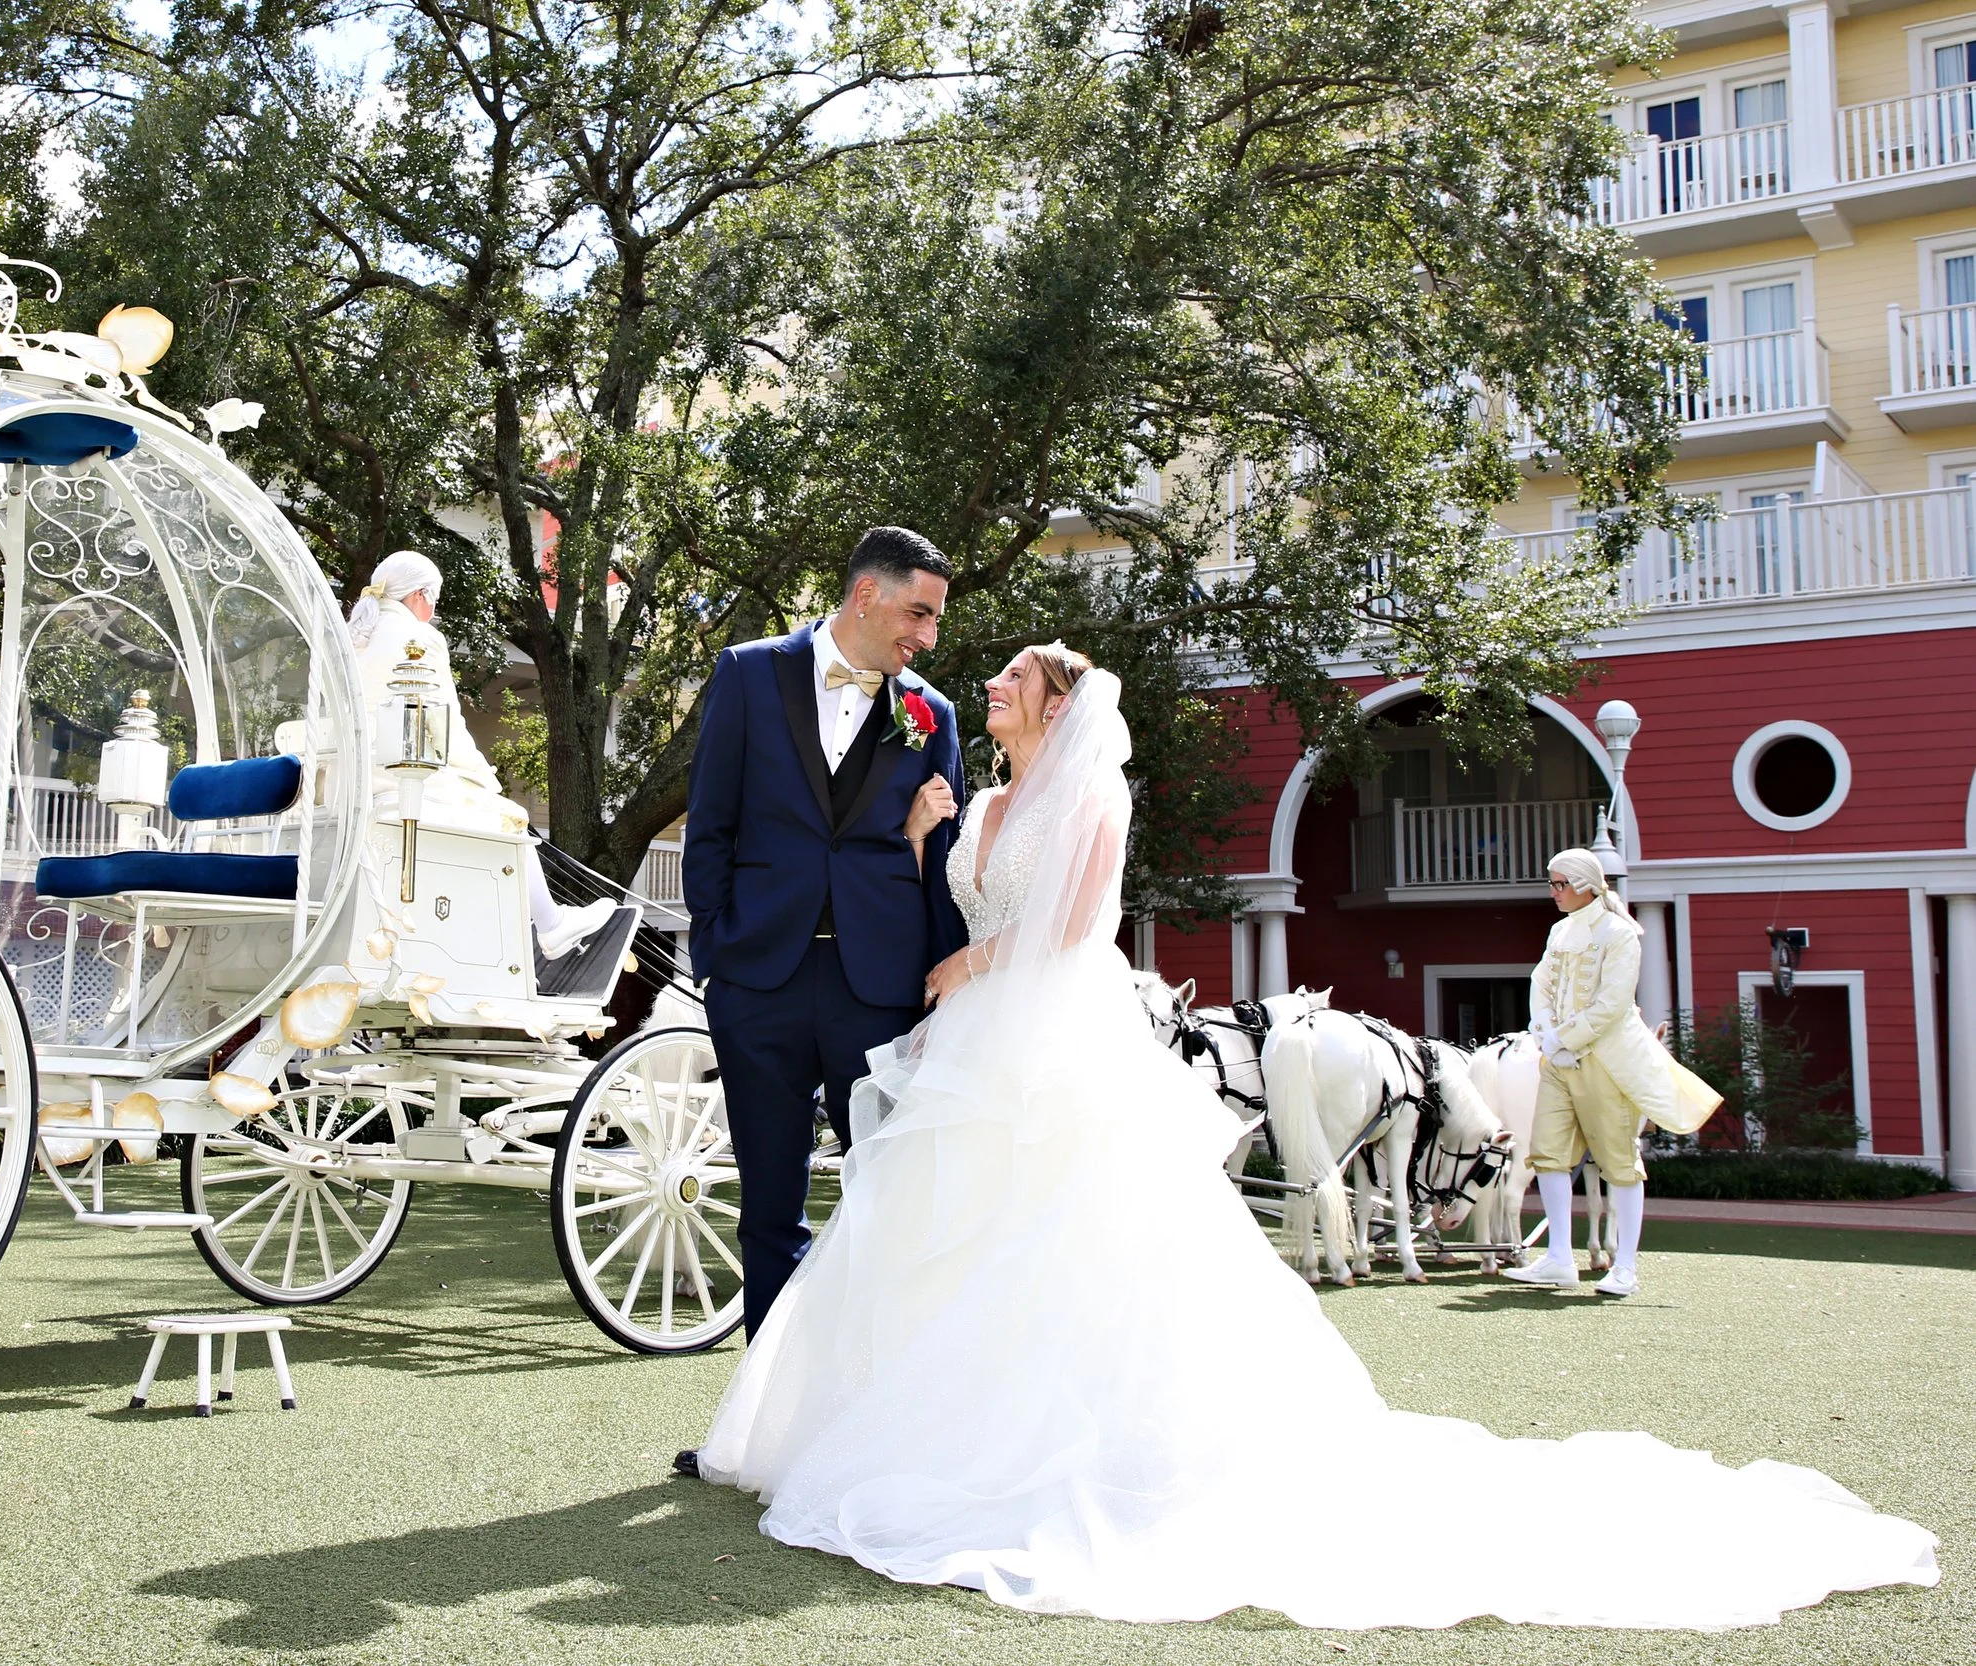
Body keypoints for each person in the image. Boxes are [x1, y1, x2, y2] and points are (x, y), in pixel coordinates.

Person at [689, 649, 1939, 1629]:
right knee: (939, 1234)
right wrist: (926, 846)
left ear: (1056, 706)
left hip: (1043, 1039)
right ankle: (909, 1420)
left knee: (1050, 1237)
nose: (990, 686)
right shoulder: (977, 800)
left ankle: (1051, 1444)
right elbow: (951, 898)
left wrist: (971, 954)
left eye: (1014, 676)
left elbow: (1068, 934)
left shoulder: (1090, 805)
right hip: (973, 1044)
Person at [678, 527, 969, 1359]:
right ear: (866, 594)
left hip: (876, 988)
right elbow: (712, 825)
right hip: (758, 980)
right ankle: (764, 1425)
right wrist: (720, 954)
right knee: (769, 1207)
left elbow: (940, 855)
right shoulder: (746, 672)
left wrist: (940, 979)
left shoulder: (930, 712)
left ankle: (877, 1409)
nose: (927, 637)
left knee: (889, 1200)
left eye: (937, 622)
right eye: (920, 613)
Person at [350, 550, 610, 959]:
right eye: (434, 598)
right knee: (508, 814)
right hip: (404, 781)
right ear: (420, 595)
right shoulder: (421, 640)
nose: (434, 609)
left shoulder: (353, 640)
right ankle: (551, 925)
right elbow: (444, 724)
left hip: (353, 779)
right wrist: (484, 777)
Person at [1503, 847, 1680, 1297]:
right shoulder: (1560, 931)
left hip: (1605, 1061)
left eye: (1561, 884)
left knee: (1619, 1162)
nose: (1554, 892)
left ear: (1586, 884)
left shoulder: (1620, 933)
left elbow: (1613, 1003)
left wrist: (1564, 1038)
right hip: (1559, 1062)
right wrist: (1544, 1033)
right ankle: (1560, 1259)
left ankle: (1625, 1267)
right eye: (1552, 883)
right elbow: (1539, 983)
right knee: (1547, 1154)